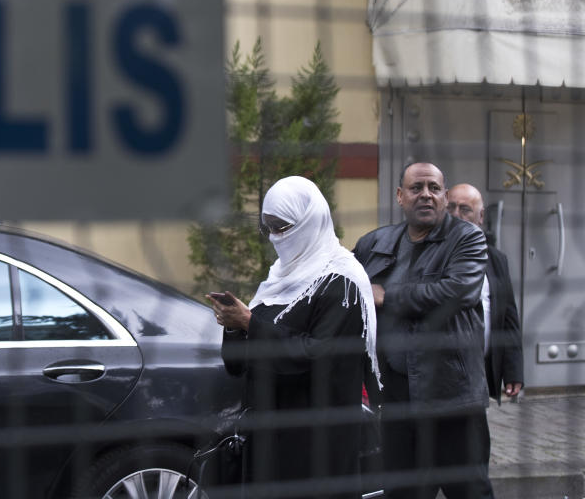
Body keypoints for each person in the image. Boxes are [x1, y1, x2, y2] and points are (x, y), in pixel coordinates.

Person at [207, 175, 381, 499]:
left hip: (314, 444)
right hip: (268, 439)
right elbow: (237, 365)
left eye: (283, 226)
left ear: (309, 222)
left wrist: (249, 323)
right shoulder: (279, 277)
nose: (275, 237)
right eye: (269, 227)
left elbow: (318, 355)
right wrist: (233, 325)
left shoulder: (343, 282)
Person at [352, 162, 493, 499]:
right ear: (401, 196)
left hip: (452, 394)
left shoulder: (467, 238)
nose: (426, 194)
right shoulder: (375, 242)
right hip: (397, 394)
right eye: (417, 188)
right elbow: (348, 288)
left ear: (444, 197)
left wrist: (387, 295)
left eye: (434, 188)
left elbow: (456, 292)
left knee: (469, 490)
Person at [446, 183, 524, 403]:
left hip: (480, 370)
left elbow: (508, 317)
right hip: (441, 375)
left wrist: (513, 370)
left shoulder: (496, 259)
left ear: (480, 216)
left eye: (465, 209)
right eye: (450, 207)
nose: (456, 215)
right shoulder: (430, 253)